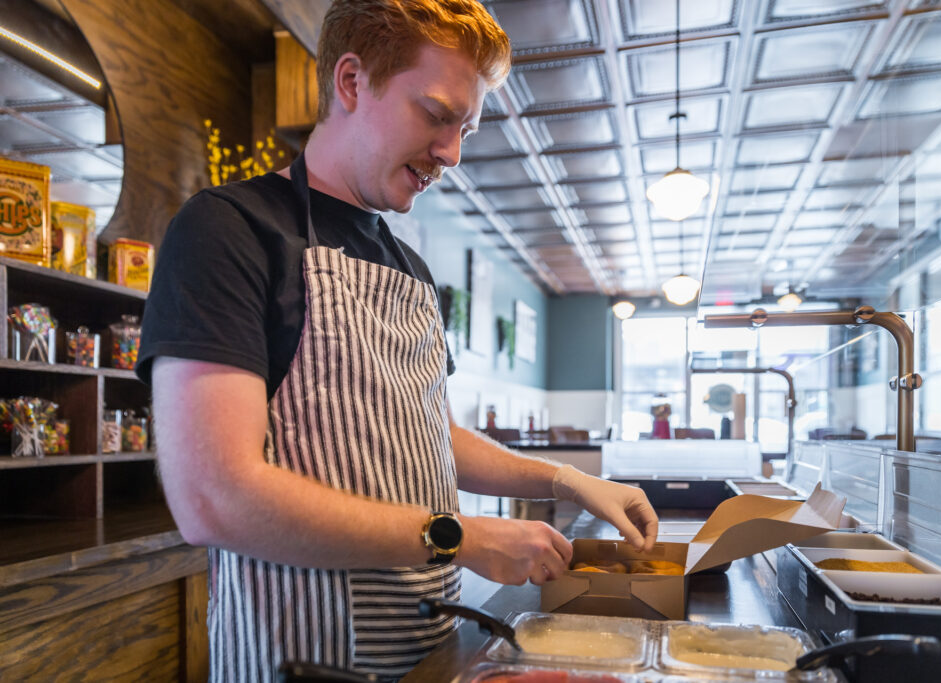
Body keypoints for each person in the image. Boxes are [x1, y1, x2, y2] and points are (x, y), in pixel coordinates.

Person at [138, 1, 658, 680]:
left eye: (465, 128)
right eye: (438, 115)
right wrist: (459, 536)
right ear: (352, 83)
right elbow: (213, 497)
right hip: (301, 655)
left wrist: (570, 479)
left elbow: (426, 433)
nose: (452, 154)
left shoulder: (409, 267)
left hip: (429, 650)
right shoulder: (228, 230)